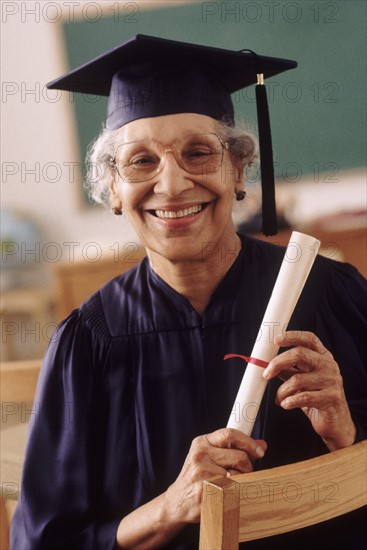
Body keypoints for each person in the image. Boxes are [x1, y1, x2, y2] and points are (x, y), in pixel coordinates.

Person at [11, 35, 366, 549]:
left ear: (239, 170)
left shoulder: (332, 295)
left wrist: (346, 436)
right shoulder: (88, 342)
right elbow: (46, 540)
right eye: (140, 162)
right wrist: (170, 507)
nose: (172, 184)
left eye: (198, 153)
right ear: (113, 189)